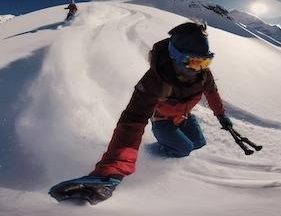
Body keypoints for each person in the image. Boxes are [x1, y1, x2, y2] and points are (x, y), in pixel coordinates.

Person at [49, 22, 233, 205]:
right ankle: (152, 151)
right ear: (176, 56)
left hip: (184, 117)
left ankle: (170, 145)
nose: (199, 68)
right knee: (184, 149)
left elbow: (212, 93)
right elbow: (131, 123)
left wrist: (221, 115)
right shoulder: (154, 81)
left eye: (205, 61)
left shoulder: (203, 75)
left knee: (198, 143)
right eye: (193, 62)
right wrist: (111, 170)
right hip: (163, 122)